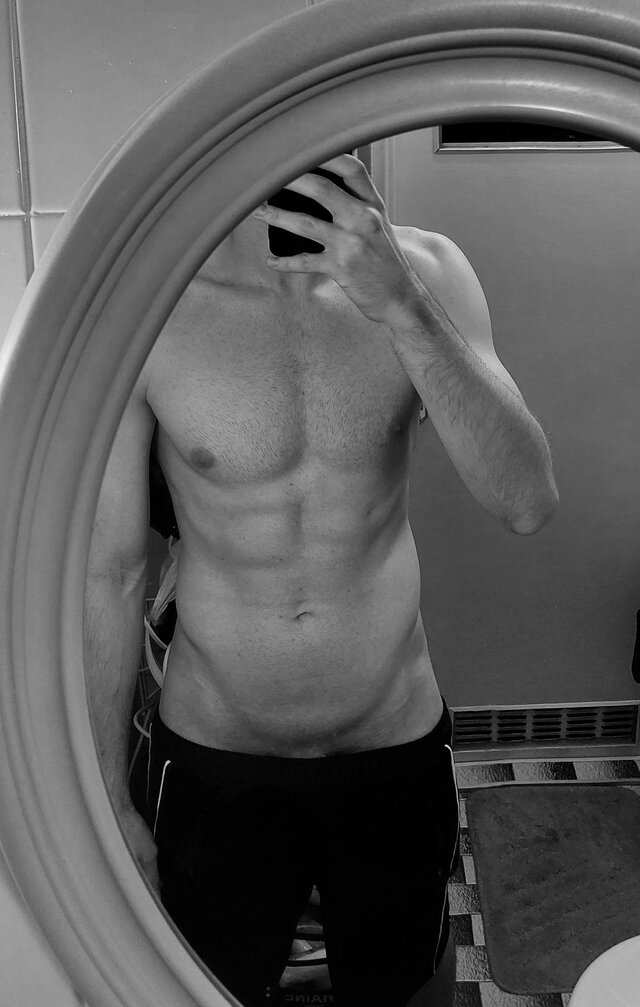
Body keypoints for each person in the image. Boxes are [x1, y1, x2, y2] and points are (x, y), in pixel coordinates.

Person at [84, 153, 559, 1007]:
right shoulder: (152, 308)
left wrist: (402, 303)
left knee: (407, 986)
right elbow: (110, 572)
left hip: (391, 739)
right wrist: (109, 797)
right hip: (219, 754)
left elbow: (527, 498)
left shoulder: (430, 272)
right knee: (202, 987)